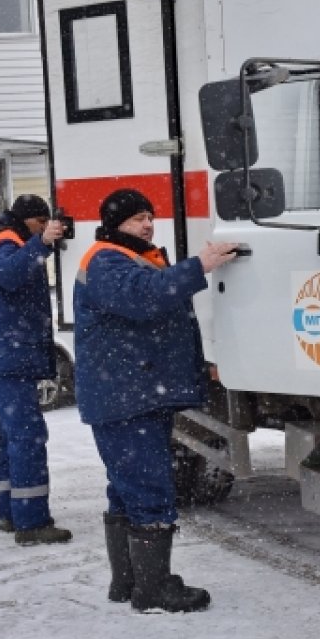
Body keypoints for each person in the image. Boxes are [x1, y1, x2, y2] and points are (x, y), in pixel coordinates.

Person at [73, 188, 238, 612]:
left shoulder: (132, 259)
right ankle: (153, 588)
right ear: (115, 225)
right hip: (127, 399)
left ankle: (127, 582)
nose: (147, 224)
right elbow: (146, 298)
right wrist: (200, 265)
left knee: (126, 489)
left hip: (131, 394)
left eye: (149, 216)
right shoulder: (105, 259)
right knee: (148, 488)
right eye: (136, 219)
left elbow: (157, 321)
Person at [0, 194, 72, 545]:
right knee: (28, 436)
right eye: (40, 222)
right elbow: (11, 276)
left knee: (12, 436)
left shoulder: (2, 236)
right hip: (9, 356)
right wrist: (41, 244)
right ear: (26, 219)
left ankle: (11, 511)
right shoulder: (5, 239)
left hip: (3, 355)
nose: (44, 229)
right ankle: (31, 521)